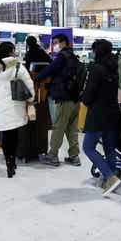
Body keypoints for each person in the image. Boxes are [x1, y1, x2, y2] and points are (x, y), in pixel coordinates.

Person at [0, 42, 35, 178]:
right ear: (11, 51)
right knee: (14, 136)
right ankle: (13, 161)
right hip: (16, 106)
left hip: (1, 107)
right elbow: (29, 84)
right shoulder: (18, 66)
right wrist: (31, 99)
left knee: (5, 136)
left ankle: (8, 162)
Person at [82, 39, 121, 196]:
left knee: (88, 147)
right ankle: (110, 177)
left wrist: (85, 99)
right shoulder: (114, 68)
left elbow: (88, 95)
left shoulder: (96, 69)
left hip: (98, 114)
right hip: (113, 113)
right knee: (109, 148)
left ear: (97, 51)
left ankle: (110, 177)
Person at [35, 33, 82, 167]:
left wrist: (37, 78)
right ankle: (74, 156)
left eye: (55, 42)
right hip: (75, 98)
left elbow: (50, 69)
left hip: (64, 97)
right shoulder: (73, 56)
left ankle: (52, 155)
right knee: (72, 128)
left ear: (63, 43)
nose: (53, 45)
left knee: (59, 126)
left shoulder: (62, 56)